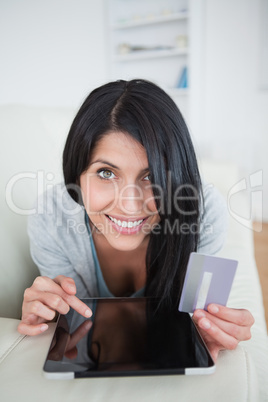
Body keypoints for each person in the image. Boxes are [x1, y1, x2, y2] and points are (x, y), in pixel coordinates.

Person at [17, 79, 254, 361]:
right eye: (106, 173)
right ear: (77, 175)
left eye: (151, 175)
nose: (129, 205)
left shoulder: (206, 211)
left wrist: (213, 330)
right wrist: (49, 315)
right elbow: (78, 325)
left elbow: (200, 318)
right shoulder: (51, 214)